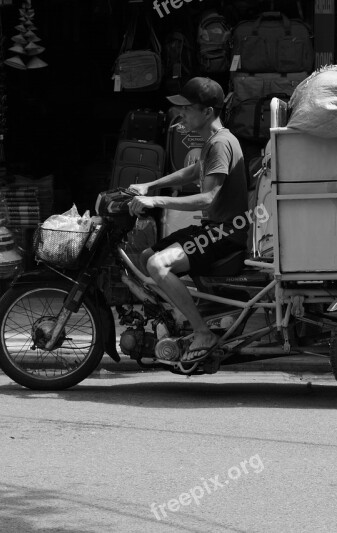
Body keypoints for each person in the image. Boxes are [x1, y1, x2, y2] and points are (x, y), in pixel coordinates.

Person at [127, 77, 249, 363]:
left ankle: (201, 331)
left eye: (187, 109)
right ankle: (180, 318)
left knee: (158, 264)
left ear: (207, 112)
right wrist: (150, 185)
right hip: (214, 230)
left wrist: (156, 200)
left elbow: (207, 198)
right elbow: (192, 172)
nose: (181, 114)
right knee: (147, 255)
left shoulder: (220, 144)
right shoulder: (214, 142)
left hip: (225, 234)